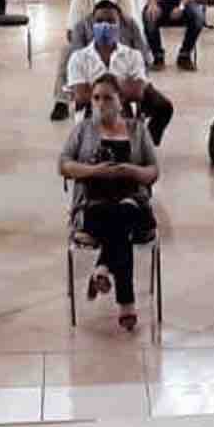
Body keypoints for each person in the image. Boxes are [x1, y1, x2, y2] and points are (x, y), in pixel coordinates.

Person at [60, 74, 160, 332]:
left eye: (107, 98)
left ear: (120, 100)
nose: (100, 104)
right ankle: (126, 302)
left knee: (125, 212)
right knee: (118, 224)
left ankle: (103, 267)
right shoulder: (83, 130)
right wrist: (95, 171)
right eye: (95, 98)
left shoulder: (137, 129)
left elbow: (153, 171)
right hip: (94, 206)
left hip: (132, 204)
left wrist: (130, 170)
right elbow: (64, 165)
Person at [66, 0, 174, 145]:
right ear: (92, 24)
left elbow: (137, 92)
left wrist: (97, 88)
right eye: (99, 21)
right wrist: (122, 84)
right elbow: (81, 96)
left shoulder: (133, 55)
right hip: (95, 109)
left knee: (162, 107)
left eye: (111, 21)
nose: (105, 25)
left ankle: (146, 142)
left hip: (122, 106)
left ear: (120, 25)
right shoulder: (79, 57)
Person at [52, 0, 148, 120]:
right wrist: (87, 59)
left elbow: (135, 36)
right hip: (88, 48)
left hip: (121, 51)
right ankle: (61, 101)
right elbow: (72, 34)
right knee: (67, 51)